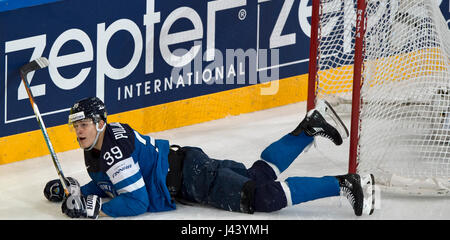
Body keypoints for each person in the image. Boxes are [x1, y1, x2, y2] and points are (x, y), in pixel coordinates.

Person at [43, 97, 375, 218]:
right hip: (189, 166)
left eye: (83, 124)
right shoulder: (100, 147)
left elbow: (136, 202)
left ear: (100, 122)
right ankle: (307, 130)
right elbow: (109, 182)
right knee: (257, 175)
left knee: (263, 196)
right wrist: (78, 191)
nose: (78, 131)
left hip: (191, 177)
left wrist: (98, 208)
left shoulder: (113, 149)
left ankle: (345, 184)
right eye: (75, 126)